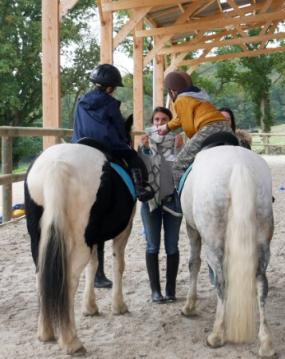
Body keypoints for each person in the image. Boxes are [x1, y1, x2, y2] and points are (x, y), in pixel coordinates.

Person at [71, 64, 154, 202]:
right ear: (110, 87)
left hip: (80, 142)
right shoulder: (110, 103)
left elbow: (77, 123)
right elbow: (120, 128)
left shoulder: (81, 102)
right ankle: (140, 187)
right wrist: (124, 140)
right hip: (106, 144)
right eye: (114, 88)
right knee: (133, 157)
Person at [156, 71, 233, 214]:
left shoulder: (180, 100)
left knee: (178, 164)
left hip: (207, 131)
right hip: (226, 128)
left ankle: (176, 203)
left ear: (172, 90)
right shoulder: (198, 97)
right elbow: (180, 118)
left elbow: (189, 126)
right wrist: (167, 127)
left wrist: (192, 137)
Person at [138, 107, 184, 303]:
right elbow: (140, 172)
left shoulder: (178, 141)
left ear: (169, 122)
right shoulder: (145, 141)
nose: (158, 123)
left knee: (172, 246)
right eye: (156, 119)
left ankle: (171, 290)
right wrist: (143, 150)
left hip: (173, 200)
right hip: (151, 202)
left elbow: (183, 168)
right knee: (152, 246)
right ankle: (155, 291)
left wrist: (180, 148)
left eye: (163, 119)